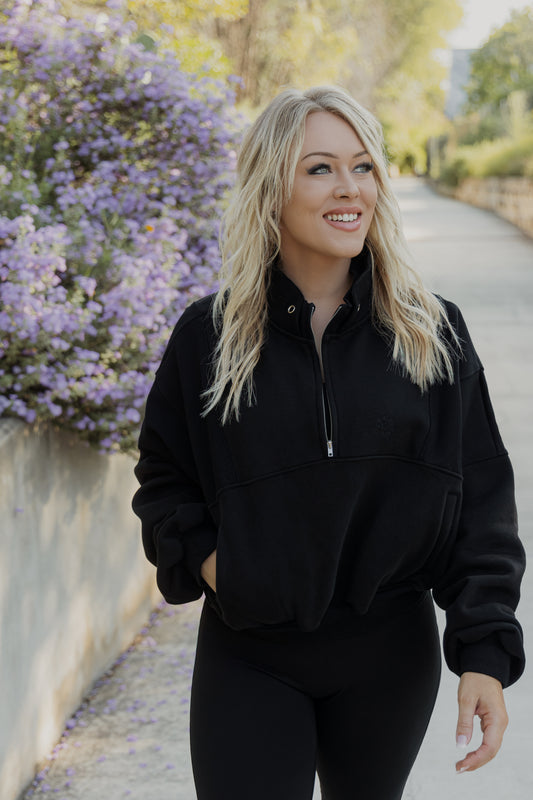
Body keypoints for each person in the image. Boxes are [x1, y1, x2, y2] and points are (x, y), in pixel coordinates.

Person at [132, 86, 525, 800]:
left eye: (362, 166)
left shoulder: (431, 334)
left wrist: (484, 654)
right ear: (269, 186)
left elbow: (481, 502)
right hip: (249, 654)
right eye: (318, 168)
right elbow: (164, 479)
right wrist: (222, 569)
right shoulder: (208, 337)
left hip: (388, 657)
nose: (348, 189)